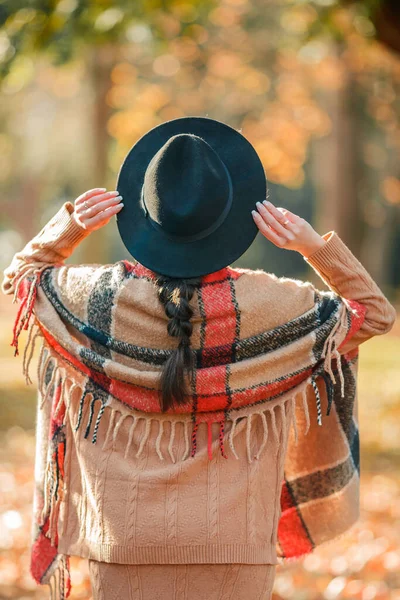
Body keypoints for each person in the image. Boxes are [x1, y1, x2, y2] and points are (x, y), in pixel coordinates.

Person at [2, 117, 396, 600]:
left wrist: (70, 227)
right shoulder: (272, 305)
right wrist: (313, 247)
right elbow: (375, 314)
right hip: (238, 548)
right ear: (231, 222)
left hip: (121, 545)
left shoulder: (95, 298)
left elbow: (20, 281)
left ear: (145, 216)